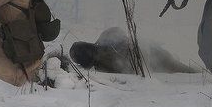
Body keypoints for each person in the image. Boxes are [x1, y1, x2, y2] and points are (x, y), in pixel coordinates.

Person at [69, 27, 201, 74]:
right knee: (182, 69)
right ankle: (200, 73)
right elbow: (118, 32)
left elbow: (118, 32)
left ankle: (201, 73)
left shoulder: (100, 63)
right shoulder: (102, 61)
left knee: (183, 69)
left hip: (152, 54)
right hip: (152, 57)